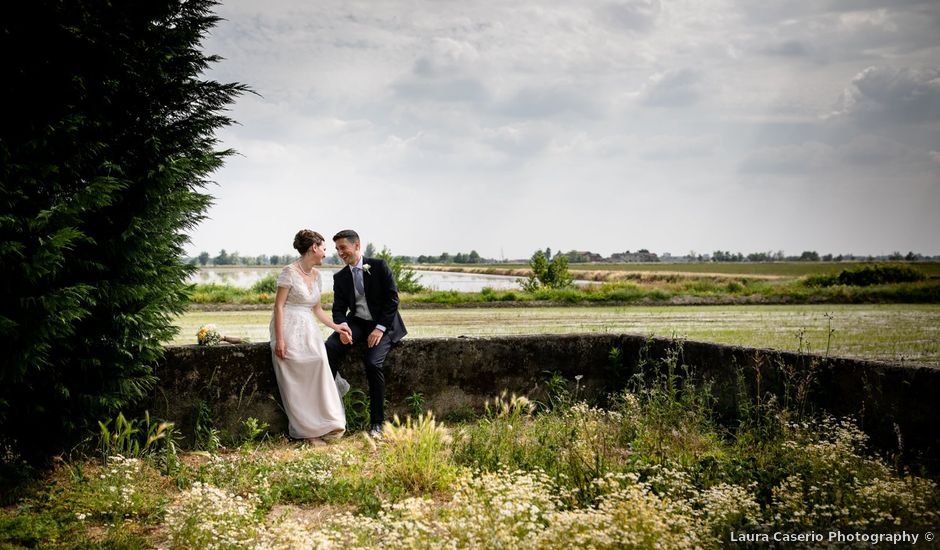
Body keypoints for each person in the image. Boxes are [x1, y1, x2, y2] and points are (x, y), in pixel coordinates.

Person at [270, 230, 350, 445]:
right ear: (314, 247)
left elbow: (318, 309)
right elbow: (278, 307)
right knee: (295, 373)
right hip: (287, 326)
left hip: (308, 328)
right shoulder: (289, 272)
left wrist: (337, 327)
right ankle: (308, 431)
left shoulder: (317, 276)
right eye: (324, 248)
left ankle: (326, 423)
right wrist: (280, 340)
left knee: (320, 362)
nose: (326, 253)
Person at [326, 229, 407, 438]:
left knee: (372, 363)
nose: (340, 253)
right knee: (330, 347)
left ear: (357, 245)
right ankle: (327, 411)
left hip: (385, 324)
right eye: (337, 249)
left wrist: (380, 329)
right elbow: (338, 309)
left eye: (343, 248)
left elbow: (392, 300)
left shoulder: (379, 266)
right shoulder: (340, 276)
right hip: (358, 323)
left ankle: (377, 423)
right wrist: (342, 327)